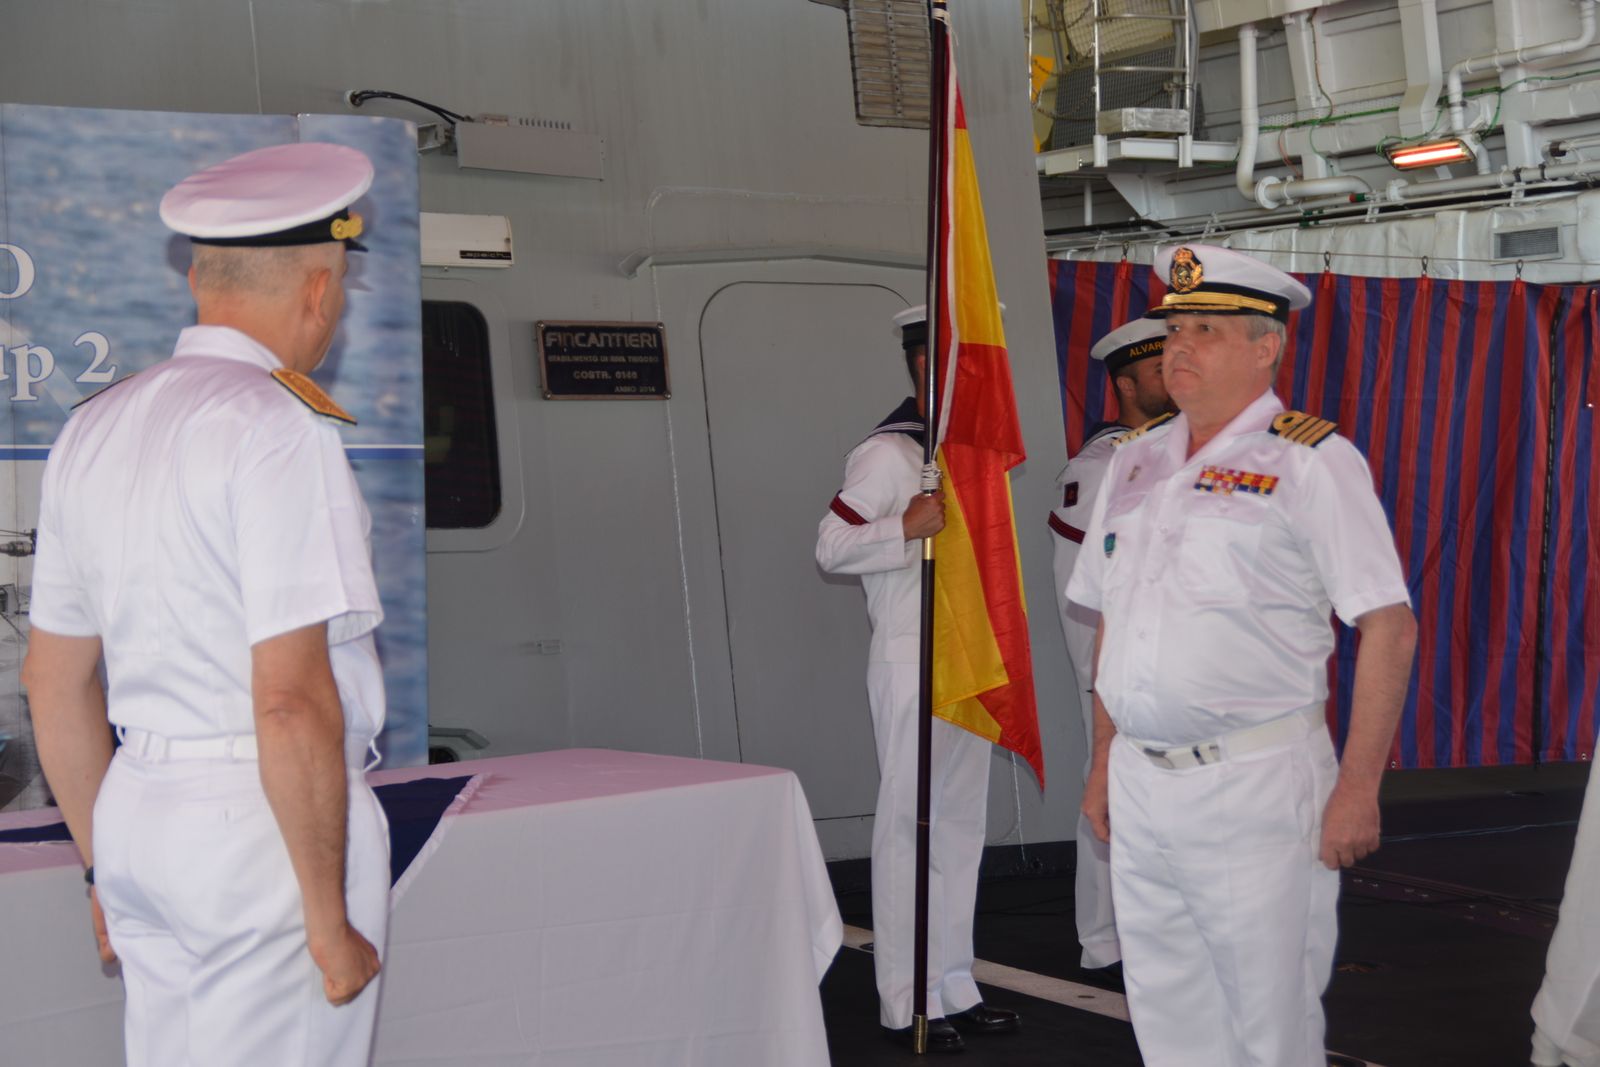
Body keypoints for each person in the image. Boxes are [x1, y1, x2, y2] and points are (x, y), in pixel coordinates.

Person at [23, 141, 391, 1067]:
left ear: (198, 282)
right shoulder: (278, 429)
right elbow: (290, 698)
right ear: (318, 290)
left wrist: (105, 864)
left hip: (139, 814)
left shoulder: (91, 428)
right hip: (260, 833)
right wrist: (326, 914)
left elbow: (52, 678)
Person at [1067, 244, 1417, 1067]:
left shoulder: (1310, 461)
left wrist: (1358, 789)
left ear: (1268, 347)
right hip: (1143, 784)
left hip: (1254, 783)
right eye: (1174, 328)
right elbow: (1117, 617)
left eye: (1207, 330)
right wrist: (1103, 759)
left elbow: (1389, 626)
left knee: (1270, 1023)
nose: (1178, 347)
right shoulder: (1135, 459)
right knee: (1168, 1011)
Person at [816, 305, 1019, 1053]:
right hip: (910, 655)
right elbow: (830, 545)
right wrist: (902, 527)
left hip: (965, 658)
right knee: (909, 827)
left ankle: (953, 984)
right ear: (923, 362)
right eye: (954, 361)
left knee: (960, 830)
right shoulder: (889, 455)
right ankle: (905, 999)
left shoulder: (968, 453)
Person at [1048, 316, 1175, 972]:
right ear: (1125, 384)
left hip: (1170, 660)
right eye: (1159, 369)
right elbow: (1081, 587)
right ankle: (1102, 938)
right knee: (1113, 784)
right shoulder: (1101, 467)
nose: (1176, 374)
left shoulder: (1175, 454)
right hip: (1119, 659)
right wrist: (1103, 671)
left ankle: (1140, 930)